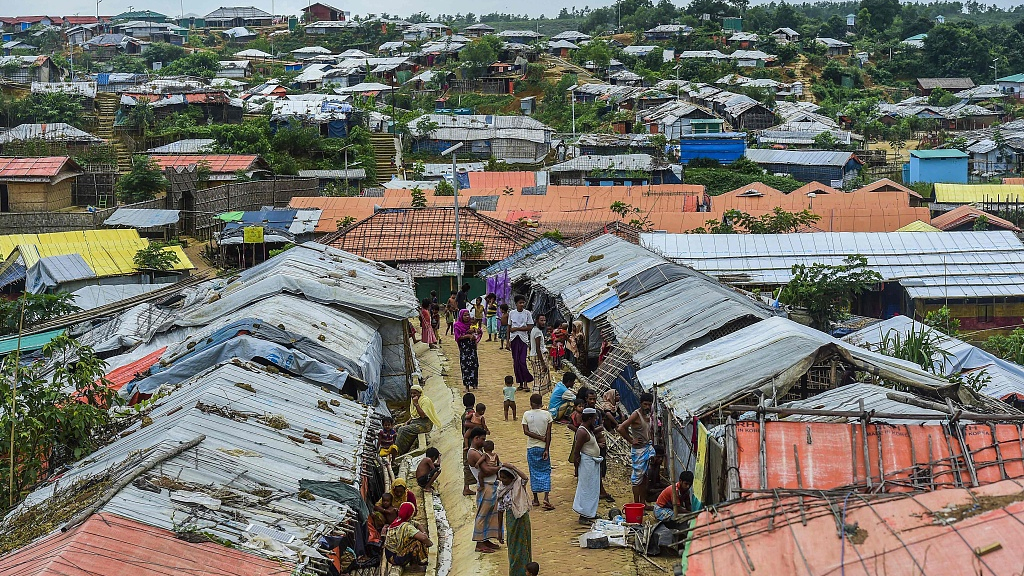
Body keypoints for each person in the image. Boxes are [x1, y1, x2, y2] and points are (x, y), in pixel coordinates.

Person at [467, 427, 503, 553]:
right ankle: (479, 543)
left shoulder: (479, 451)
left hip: (490, 484)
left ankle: (485, 539)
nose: (484, 442)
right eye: (482, 439)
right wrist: (499, 468)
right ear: (476, 438)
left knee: (490, 514)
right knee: (482, 514)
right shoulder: (474, 453)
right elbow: (486, 470)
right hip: (486, 486)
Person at [617, 392, 656, 504]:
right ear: (640, 404)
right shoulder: (636, 415)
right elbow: (621, 428)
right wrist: (631, 440)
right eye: (645, 404)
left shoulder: (648, 414)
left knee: (644, 477)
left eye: (649, 404)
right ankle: (636, 503)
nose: (647, 407)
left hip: (647, 448)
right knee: (637, 479)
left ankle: (643, 503)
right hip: (638, 450)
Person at [497, 464, 532, 576]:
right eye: (501, 477)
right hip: (511, 519)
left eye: (505, 478)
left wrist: (513, 467)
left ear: (512, 478)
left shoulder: (518, 484)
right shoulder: (500, 489)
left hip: (522, 518)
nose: (502, 480)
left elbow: (525, 478)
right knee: (513, 546)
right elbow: (500, 510)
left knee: (524, 544)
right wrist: (499, 530)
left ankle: (526, 571)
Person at [522, 393, 554, 510]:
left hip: (531, 447)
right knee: (546, 471)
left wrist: (538, 438)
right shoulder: (547, 415)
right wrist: (546, 448)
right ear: (541, 403)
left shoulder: (526, 415)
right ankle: (546, 497)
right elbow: (549, 434)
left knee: (533, 471)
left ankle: (536, 499)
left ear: (531, 403)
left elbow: (526, 431)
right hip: (543, 447)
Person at [571, 408, 604, 524]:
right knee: (586, 488)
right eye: (594, 418)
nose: (595, 420)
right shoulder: (582, 432)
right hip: (586, 463)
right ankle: (584, 515)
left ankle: (590, 513)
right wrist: (576, 468)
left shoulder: (588, 430)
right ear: (590, 418)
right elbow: (576, 451)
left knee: (592, 488)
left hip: (592, 463)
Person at [383, 501, 432, 569]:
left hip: (390, 555)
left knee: (416, 537)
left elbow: (418, 524)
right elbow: (423, 538)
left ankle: (415, 562)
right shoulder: (407, 526)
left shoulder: (399, 520)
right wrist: (429, 543)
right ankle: (414, 565)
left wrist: (424, 532)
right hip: (395, 558)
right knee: (417, 542)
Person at [395, 384, 442, 454]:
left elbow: (422, 415)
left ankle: (398, 452)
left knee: (403, 430)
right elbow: (414, 415)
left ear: (420, 393)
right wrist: (407, 421)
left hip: (424, 424)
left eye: (415, 393)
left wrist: (416, 404)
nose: (413, 395)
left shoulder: (424, 401)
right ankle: (396, 447)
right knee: (397, 428)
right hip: (416, 422)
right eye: (411, 393)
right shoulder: (414, 400)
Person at [508, 296, 534, 390]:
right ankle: (520, 383)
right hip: (514, 339)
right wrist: (507, 341)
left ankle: (526, 382)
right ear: (516, 303)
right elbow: (509, 327)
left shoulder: (527, 313)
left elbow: (530, 326)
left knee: (522, 361)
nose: (522, 304)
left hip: (523, 339)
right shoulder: (512, 313)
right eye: (520, 303)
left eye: (523, 303)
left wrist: (517, 329)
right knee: (516, 362)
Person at [454, 309, 481, 391]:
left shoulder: (471, 324)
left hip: (472, 348)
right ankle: (467, 386)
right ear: (461, 316)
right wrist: (467, 336)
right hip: (464, 348)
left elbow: (480, 331)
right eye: (465, 315)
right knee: (465, 366)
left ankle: (474, 383)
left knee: (474, 365)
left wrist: (475, 330)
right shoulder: (457, 325)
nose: (467, 317)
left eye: (468, 315)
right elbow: (457, 337)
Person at [528, 314, 552, 394]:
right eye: (541, 320)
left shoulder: (534, 330)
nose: (543, 322)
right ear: (536, 321)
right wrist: (543, 364)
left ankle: (537, 398)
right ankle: (536, 397)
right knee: (540, 380)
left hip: (534, 356)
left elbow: (532, 346)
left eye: (544, 320)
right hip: (538, 357)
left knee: (538, 378)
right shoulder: (537, 332)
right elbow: (538, 349)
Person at [462, 393, 478, 496]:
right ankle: (469, 487)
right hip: (473, 442)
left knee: (467, 464)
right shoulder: (472, 414)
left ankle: (466, 487)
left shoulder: (464, 414)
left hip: (466, 441)